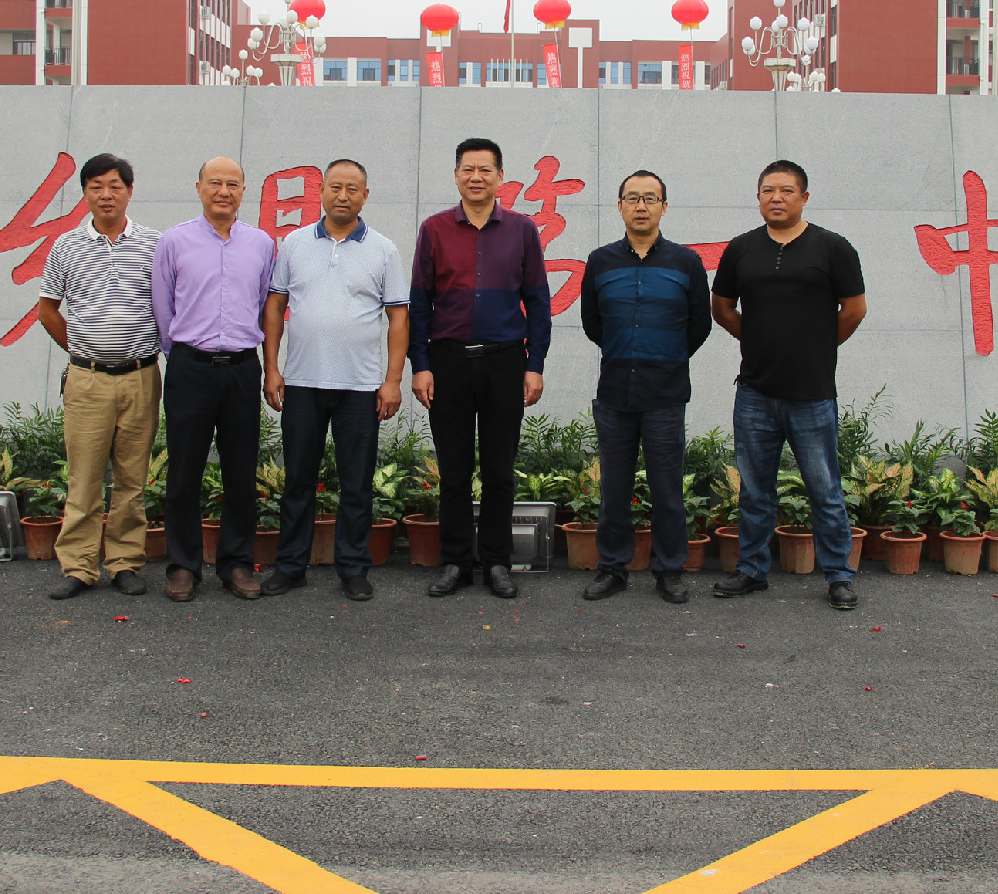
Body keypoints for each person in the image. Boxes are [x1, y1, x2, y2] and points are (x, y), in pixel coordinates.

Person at [710, 159, 867, 611]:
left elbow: (854, 309)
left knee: (825, 490)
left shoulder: (832, 247)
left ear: (804, 197)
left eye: (786, 190)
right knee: (755, 490)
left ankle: (838, 576)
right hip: (754, 392)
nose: (776, 198)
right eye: (768, 190)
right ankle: (752, 569)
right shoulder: (741, 249)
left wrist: (817, 347)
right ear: (758, 197)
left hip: (812, 394)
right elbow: (722, 307)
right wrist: (755, 339)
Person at [260, 158, 410, 603]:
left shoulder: (383, 249)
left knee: (356, 484)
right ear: (322, 190)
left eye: (352, 189)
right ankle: (291, 566)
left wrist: (392, 380)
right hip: (302, 382)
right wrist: (272, 368)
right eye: (335, 187)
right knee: (298, 481)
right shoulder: (294, 243)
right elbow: (275, 307)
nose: (343, 196)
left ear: (365, 196)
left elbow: (398, 317)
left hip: (360, 387)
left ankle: (353, 567)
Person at [409, 137, 551, 600]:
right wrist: (421, 364)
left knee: (499, 470)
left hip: (505, 361)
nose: (476, 177)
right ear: (456, 176)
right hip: (448, 361)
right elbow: (419, 303)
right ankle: (455, 561)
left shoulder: (522, 230)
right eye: (468, 169)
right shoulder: (434, 229)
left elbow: (538, 301)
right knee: (453, 470)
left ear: (500, 177)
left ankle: (497, 562)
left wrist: (534, 364)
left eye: (485, 170)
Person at [578, 170, 710, 604]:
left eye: (650, 198)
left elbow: (699, 324)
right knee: (614, 488)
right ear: (619, 206)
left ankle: (669, 570)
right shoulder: (600, 261)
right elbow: (592, 323)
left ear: (663, 207)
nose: (641, 206)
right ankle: (612, 568)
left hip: (665, 393)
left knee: (667, 488)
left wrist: (664, 356)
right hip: (615, 391)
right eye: (632, 198)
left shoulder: (686, 262)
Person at [35, 155, 162, 601]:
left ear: (129, 190)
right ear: (85, 193)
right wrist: (80, 349)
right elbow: (47, 310)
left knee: (132, 477)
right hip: (87, 380)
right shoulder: (66, 246)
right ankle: (79, 566)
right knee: (84, 477)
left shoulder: (154, 244)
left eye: (114, 186)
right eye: (96, 187)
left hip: (141, 376)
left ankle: (125, 562)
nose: (106, 195)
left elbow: (170, 304)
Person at [153, 156, 277, 602]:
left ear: (244, 191)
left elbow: (263, 304)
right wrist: (182, 355)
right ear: (199, 188)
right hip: (190, 368)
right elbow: (163, 306)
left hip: (242, 368)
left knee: (240, 472)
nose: (224, 191)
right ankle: (183, 566)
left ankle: (237, 564)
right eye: (215, 183)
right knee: (184, 471)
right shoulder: (174, 241)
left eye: (233, 184)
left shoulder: (261, 244)